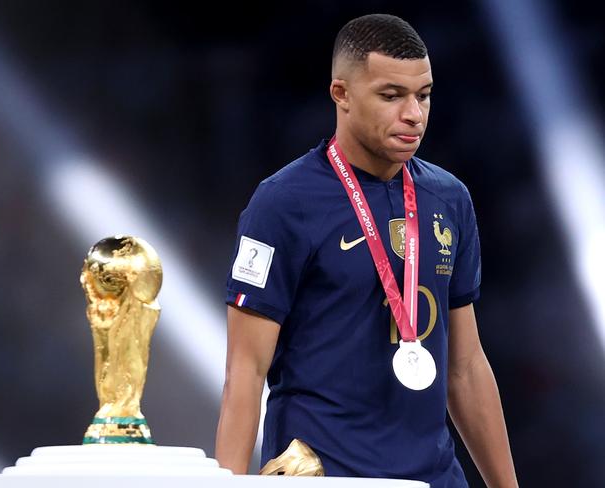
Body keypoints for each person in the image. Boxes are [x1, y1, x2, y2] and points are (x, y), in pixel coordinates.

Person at [215, 13, 518, 488]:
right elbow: (245, 372)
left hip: (433, 478)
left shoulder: (449, 198)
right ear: (342, 94)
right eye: (391, 96)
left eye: (424, 95)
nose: (414, 115)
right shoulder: (282, 203)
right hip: (324, 475)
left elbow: (466, 365)